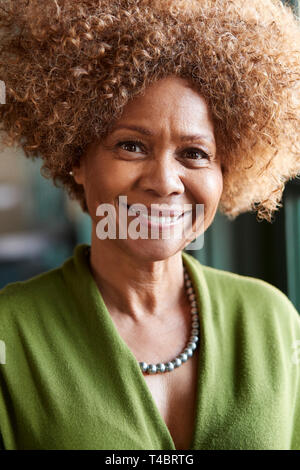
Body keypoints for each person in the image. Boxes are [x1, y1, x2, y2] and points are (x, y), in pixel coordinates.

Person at [0, 0, 299, 450]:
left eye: (194, 153)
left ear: (226, 171)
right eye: (131, 146)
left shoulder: (272, 322)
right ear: (77, 158)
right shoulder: (10, 333)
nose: (164, 182)